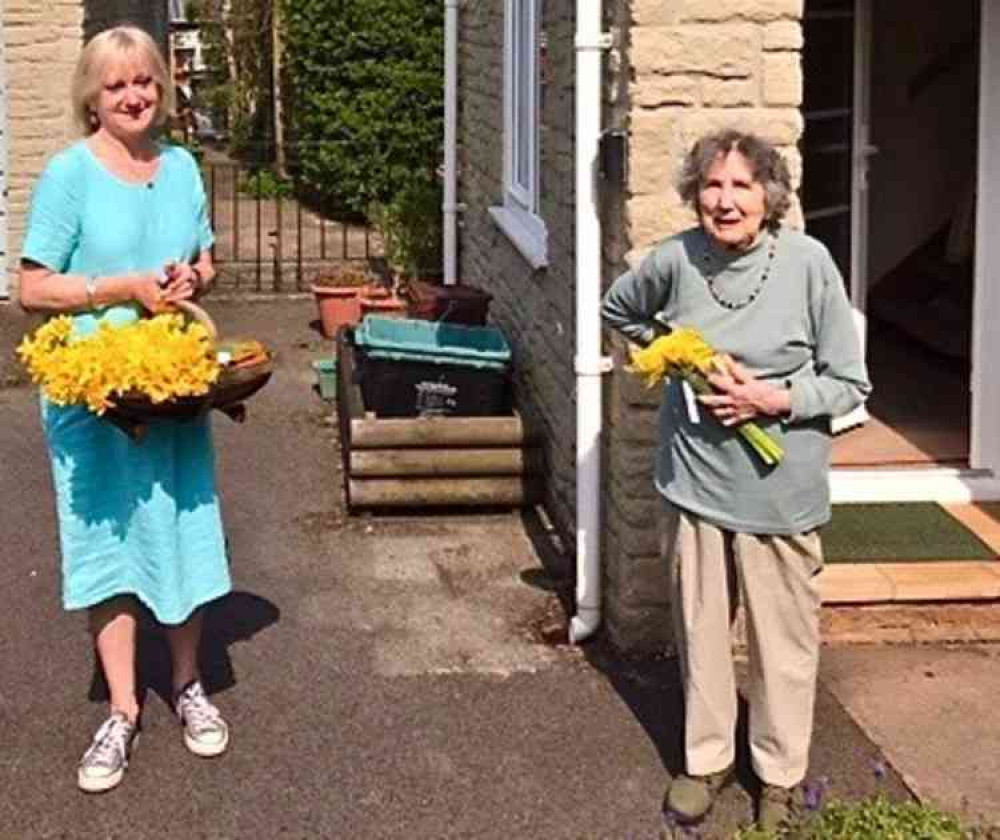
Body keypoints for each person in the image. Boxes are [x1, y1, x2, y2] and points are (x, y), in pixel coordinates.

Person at [601, 129, 871, 831]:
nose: (724, 203)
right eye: (712, 187)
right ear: (695, 195)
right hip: (693, 482)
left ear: (769, 196)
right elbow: (618, 311)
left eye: (741, 187)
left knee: (783, 643)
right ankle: (707, 759)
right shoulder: (674, 260)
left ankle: (780, 774)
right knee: (700, 631)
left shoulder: (809, 263)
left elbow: (848, 382)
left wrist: (773, 399)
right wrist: (674, 356)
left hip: (781, 490)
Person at [18, 25, 231, 794]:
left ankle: (187, 685)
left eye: (144, 81)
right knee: (105, 542)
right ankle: (121, 708)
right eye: (116, 87)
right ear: (92, 98)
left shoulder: (181, 169)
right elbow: (32, 289)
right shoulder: (69, 175)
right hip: (92, 393)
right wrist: (122, 287)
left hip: (170, 383)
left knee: (180, 528)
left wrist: (188, 280)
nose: (134, 95)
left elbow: (204, 256)